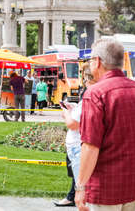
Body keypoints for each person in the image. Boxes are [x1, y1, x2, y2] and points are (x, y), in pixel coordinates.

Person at [75, 39, 135, 211]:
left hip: (106, 186)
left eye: (91, 60)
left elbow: (91, 146)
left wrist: (80, 186)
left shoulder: (95, 94)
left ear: (98, 62)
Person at [55, 63, 94, 207]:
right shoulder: (88, 91)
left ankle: (75, 197)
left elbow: (74, 123)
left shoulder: (91, 92)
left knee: (82, 184)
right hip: (78, 143)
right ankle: (74, 196)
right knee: (79, 178)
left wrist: (67, 113)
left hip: (80, 142)